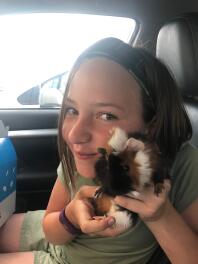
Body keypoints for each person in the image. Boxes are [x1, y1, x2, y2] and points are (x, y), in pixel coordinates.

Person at [0, 37, 198, 264]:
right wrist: (71, 216)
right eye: (72, 109)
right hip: (58, 233)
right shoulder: (83, 154)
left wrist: (160, 216)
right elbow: (51, 229)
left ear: (150, 127)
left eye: (106, 116)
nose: (75, 135)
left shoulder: (184, 164)